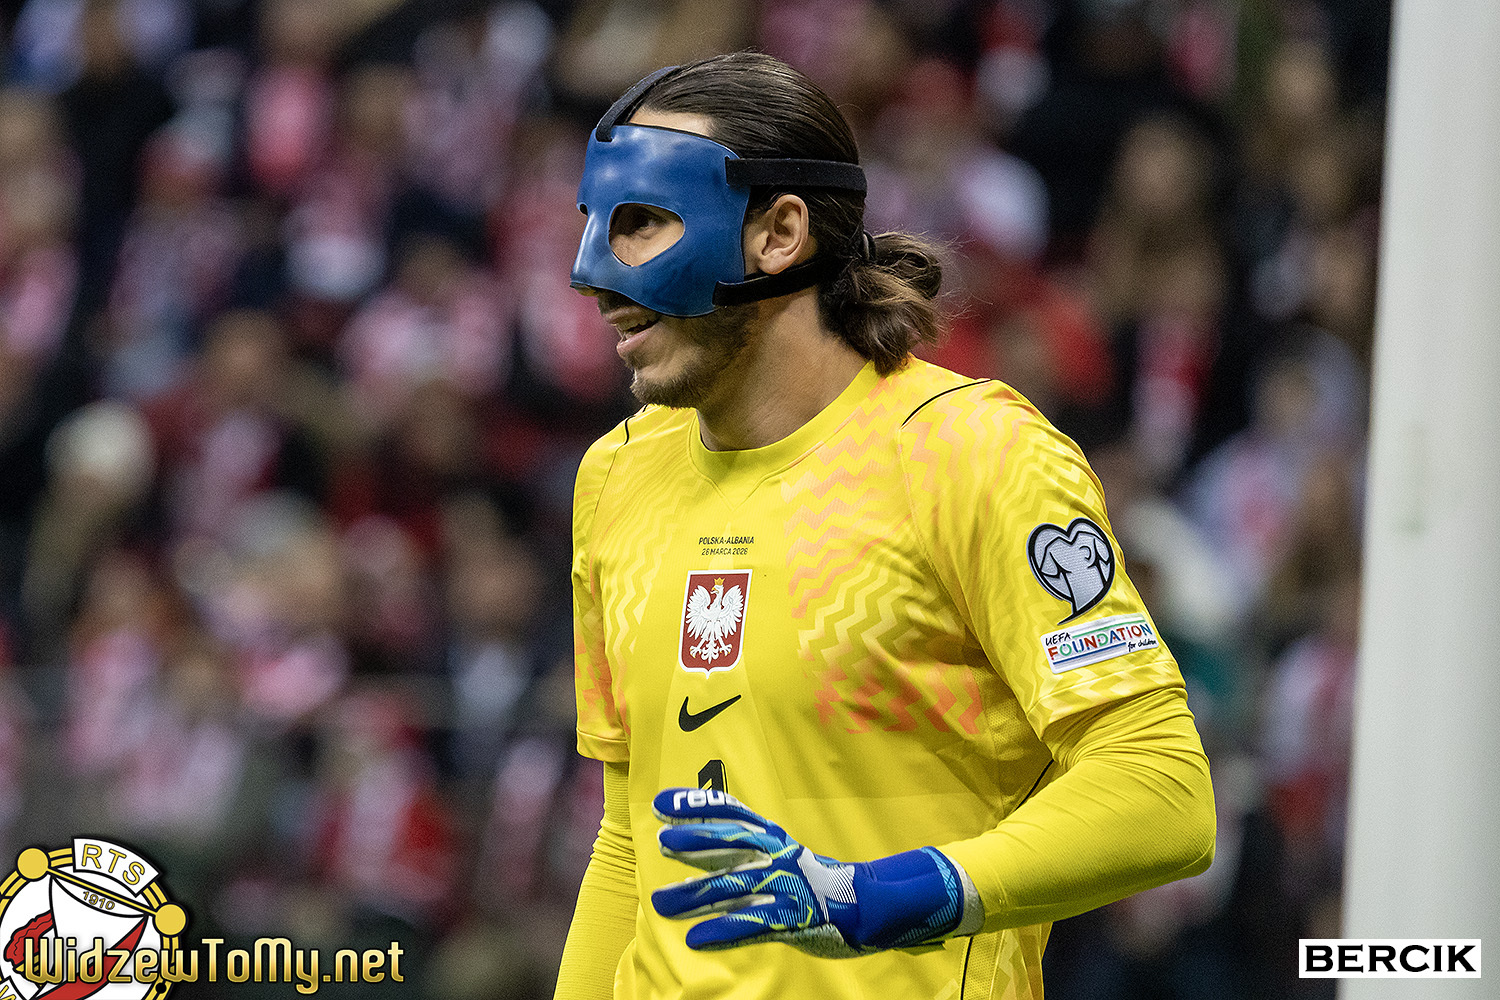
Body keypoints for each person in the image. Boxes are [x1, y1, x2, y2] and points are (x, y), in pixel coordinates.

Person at [555, 52, 1215, 1000]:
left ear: (780, 232)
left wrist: (885, 898)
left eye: (640, 222)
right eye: (592, 223)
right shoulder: (616, 475)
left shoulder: (972, 456)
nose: (589, 274)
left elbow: (1163, 792)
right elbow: (628, 843)